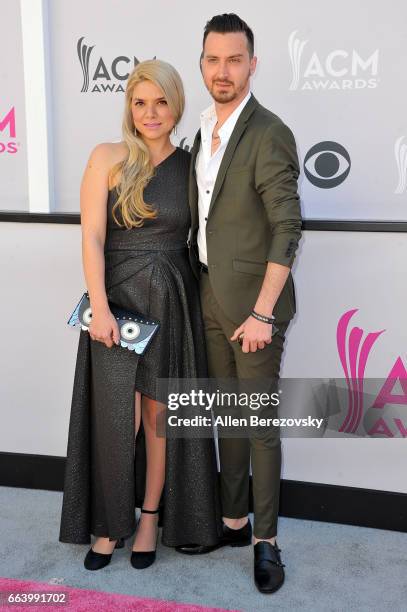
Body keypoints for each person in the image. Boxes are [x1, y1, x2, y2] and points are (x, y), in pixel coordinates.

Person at [59, 59, 222, 571]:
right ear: (128, 107)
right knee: (116, 418)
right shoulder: (107, 156)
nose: (150, 113)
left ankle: (150, 518)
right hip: (117, 304)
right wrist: (100, 308)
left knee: (159, 417)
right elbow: (90, 236)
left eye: (160, 101)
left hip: (173, 299)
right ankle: (109, 526)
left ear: (176, 104)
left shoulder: (192, 163)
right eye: (139, 102)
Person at [176, 14, 302, 595]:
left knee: (258, 424)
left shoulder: (269, 131)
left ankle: (266, 542)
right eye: (212, 60)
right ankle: (232, 522)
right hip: (206, 295)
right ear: (202, 64)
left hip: (254, 306)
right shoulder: (202, 130)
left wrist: (263, 312)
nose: (222, 71)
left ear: (253, 64)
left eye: (234, 60)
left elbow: (287, 226)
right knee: (227, 414)